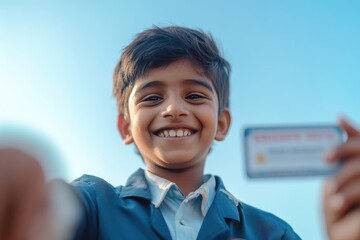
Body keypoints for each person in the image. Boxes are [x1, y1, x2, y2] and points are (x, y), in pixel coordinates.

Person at [70, 26, 360, 240]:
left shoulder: (273, 232)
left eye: (195, 96)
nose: (173, 109)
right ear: (126, 127)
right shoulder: (92, 204)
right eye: (152, 98)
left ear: (221, 124)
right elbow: (44, 214)